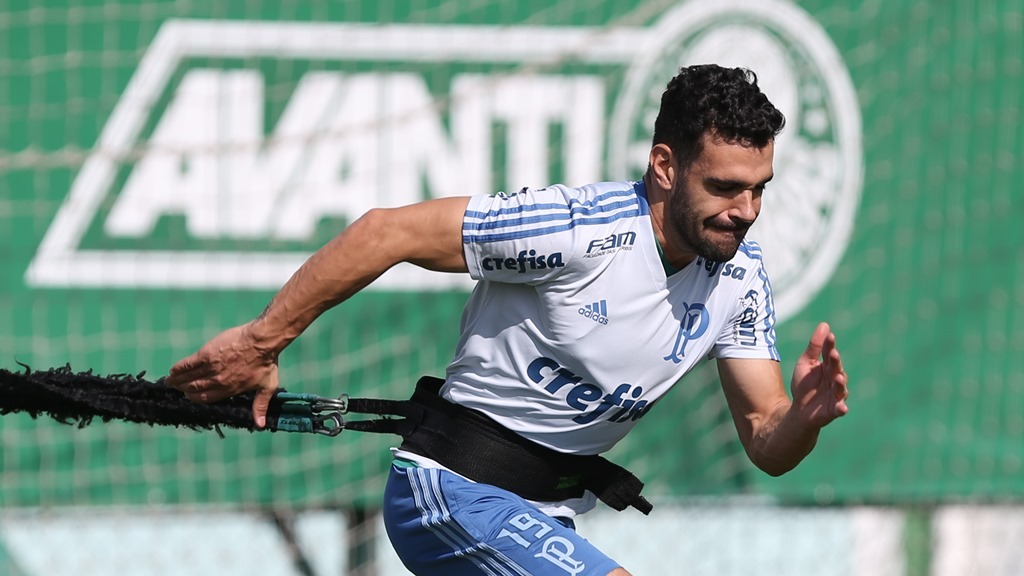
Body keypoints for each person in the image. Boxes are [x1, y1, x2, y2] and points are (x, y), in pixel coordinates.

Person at [165, 64, 849, 576]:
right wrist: (262, 342)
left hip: (548, 514)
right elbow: (385, 233)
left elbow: (766, 439)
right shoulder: (573, 229)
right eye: (724, 187)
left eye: (759, 188)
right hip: (450, 492)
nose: (746, 210)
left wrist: (803, 421)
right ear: (665, 168)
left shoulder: (741, 275)